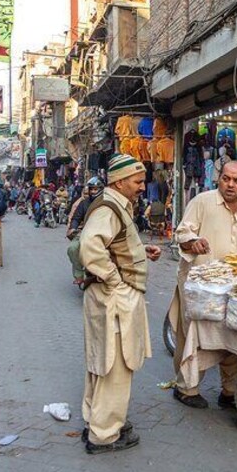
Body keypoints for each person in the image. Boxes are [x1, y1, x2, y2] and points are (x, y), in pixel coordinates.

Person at [78, 154, 161, 454]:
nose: (142, 187)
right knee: (115, 365)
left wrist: (141, 252)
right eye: (138, 181)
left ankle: (97, 419)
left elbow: (116, 243)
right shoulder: (109, 208)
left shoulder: (116, 206)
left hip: (111, 296)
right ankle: (104, 434)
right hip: (113, 297)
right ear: (120, 181)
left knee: (103, 362)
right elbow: (91, 247)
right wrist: (115, 281)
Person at [170, 161, 237, 409]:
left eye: (236, 181)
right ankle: (186, 388)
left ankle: (229, 391)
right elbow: (182, 233)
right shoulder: (203, 202)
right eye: (226, 178)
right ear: (219, 178)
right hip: (199, 286)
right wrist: (192, 242)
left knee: (233, 336)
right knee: (194, 335)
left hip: (231, 286)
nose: (230, 184)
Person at [67, 177, 105, 284]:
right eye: (91, 189)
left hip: (107, 233)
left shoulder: (108, 202)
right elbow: (76, 218)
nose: (93, 191)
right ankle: (79, 274)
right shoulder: (84, 203)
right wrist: (73, 228)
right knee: (72, 248)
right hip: (86, 233)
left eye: (95, 189)